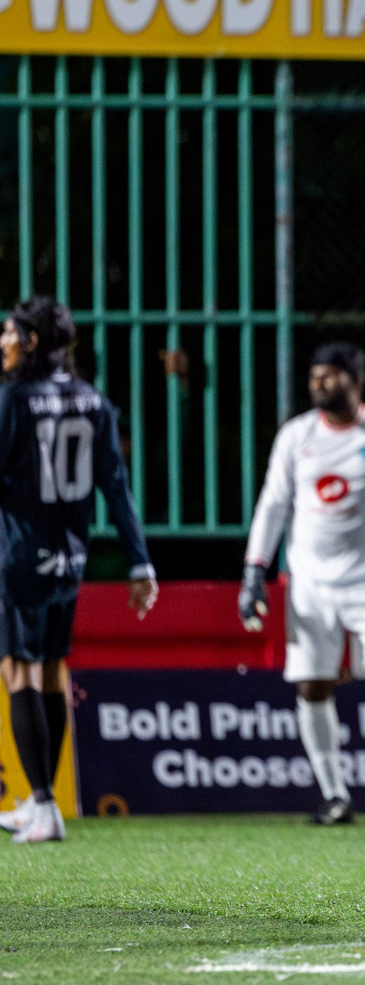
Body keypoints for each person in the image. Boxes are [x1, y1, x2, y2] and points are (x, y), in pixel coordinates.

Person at [239, 342, 365, 825]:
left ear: (356, 381)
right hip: (309, 584)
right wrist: (254, 573)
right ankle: (335, 796)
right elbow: (273, 505)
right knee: (312, 685)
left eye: (330, 375)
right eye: (314, 375)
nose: (319, 383)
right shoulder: (296, 437)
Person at [0, 297, 157, 843]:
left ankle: (43, 804)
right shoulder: (94, 400)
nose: (4, 342)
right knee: (51, 670)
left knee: (18, 671)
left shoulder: (14, 399)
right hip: (70, 557)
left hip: (20, 553)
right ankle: (43, 802)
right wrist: (140, 561)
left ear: (33, 341)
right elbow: (116, 486)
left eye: (10, 333)